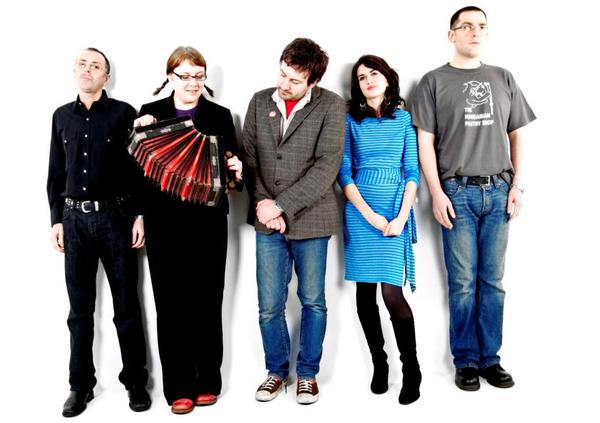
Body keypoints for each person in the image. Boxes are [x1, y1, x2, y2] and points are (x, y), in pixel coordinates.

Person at [412, 6, 536, 391]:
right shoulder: (433, 81)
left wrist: (518, 185)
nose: (474, 32)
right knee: (463, 282)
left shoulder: (503, 77)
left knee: (493, 281)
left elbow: (517, 134)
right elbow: (425, 142)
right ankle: (465, 360)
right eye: (466, 26)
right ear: (451, 34)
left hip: (499, 191)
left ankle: (490, 359)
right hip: (457, 193)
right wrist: (436, 193)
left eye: (481, 26)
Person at [133, 46, 243, 415]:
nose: (192, 82)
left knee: (208, 300)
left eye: (199, 75)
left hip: (208, 222)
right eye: (184, 76)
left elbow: (232, 177)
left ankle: (208, 380)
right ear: (170, 77)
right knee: (170, 304)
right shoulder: (150, 113)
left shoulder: (220, 116)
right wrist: (138, 215)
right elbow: (138, 172)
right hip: (163, 222)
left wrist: (237, 170)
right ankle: (178, 387)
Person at [47, 48, 150, 417]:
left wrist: (139, 215)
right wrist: (56, 220)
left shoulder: (124, 114)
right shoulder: (61, 117)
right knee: (79, 311)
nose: (87, 69)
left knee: (127, 306)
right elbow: (55, 173)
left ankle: (135, 381)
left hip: (116, 219)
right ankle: (80, 386)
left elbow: (139, 169)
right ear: (74, 71)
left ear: (107, 77)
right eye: (82, 64)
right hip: (74, 222)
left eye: (96, 66)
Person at [242, 38, 345, 405]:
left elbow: (326, 166)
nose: (284, 84)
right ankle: (276, 371)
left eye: (295, 80)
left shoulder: (332, 105)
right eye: (282, 74)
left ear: (313, 82)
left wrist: (282, 206)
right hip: (266, 220)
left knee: (312, 300)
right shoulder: (259, 101)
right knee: (269, 304)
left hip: (312, 219)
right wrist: (265, 206)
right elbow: (250, 158)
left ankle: (307, 374)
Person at [338, 55, 421, 405]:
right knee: (364, 293)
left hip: (395, 208)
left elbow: (412, 172)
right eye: (361, 77)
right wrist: (369, 216)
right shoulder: (350, 120)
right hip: (361, 212)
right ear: (356, 86)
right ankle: (379, 364)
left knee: (392, 294)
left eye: (374, 74)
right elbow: (344, 172)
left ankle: (412, 369)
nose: (368, 80)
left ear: (387, 79)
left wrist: (401, 217)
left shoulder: (404, 119)